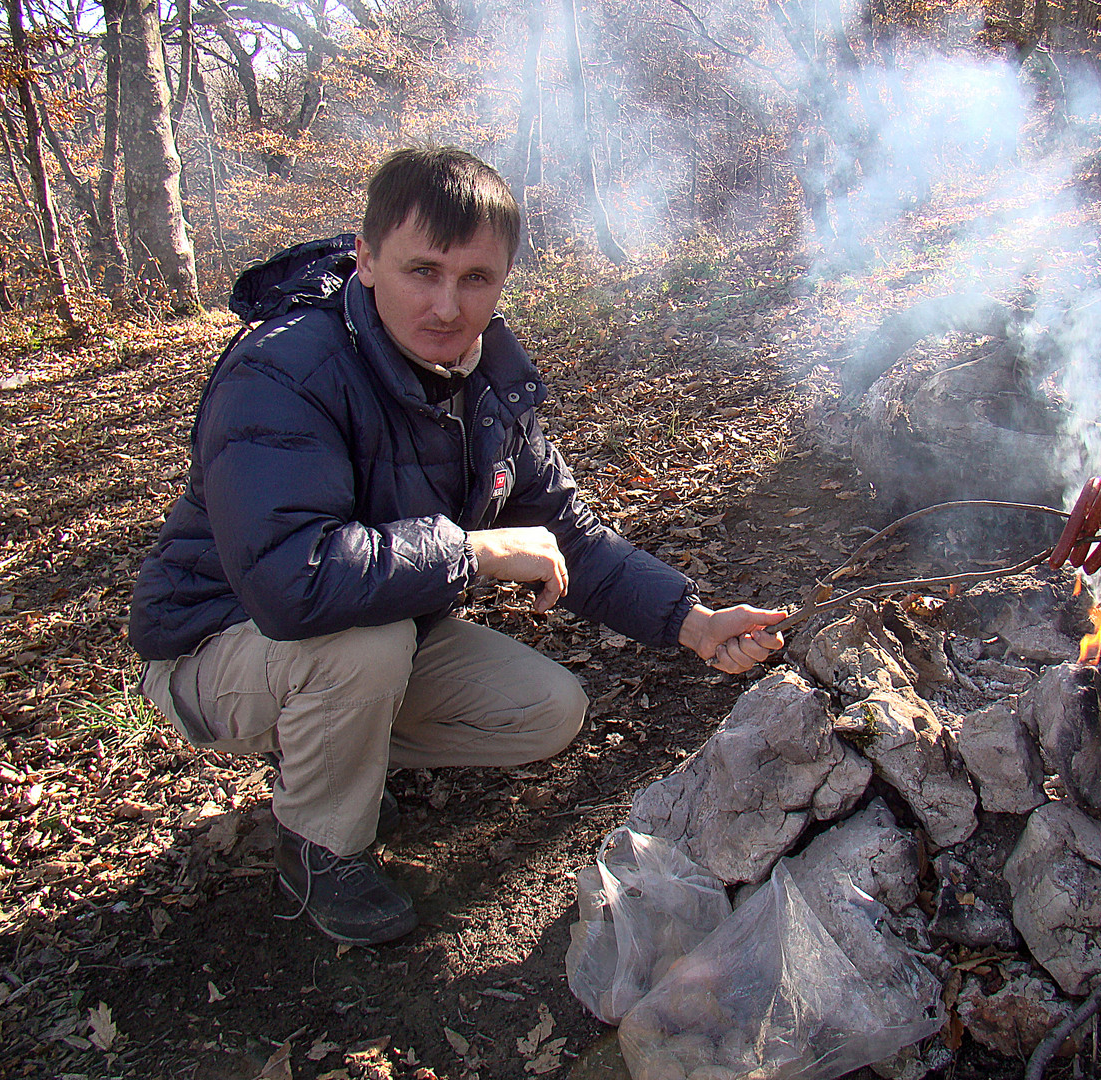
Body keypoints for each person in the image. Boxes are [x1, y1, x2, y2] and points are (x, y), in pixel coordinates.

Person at [128, 147, 785, 946]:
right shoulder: (284, 371)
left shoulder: (487, 376)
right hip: (216, 645)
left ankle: (331, 756)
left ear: (505, 278)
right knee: (359, 650)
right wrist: (471, 551)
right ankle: (320, 845)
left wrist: (696, 621)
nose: (447, 305)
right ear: (366, 260)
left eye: (476, 278)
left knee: (547, 712)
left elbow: (568, 532)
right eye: (422, 271)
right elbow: (287, 585)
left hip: (370, 631)